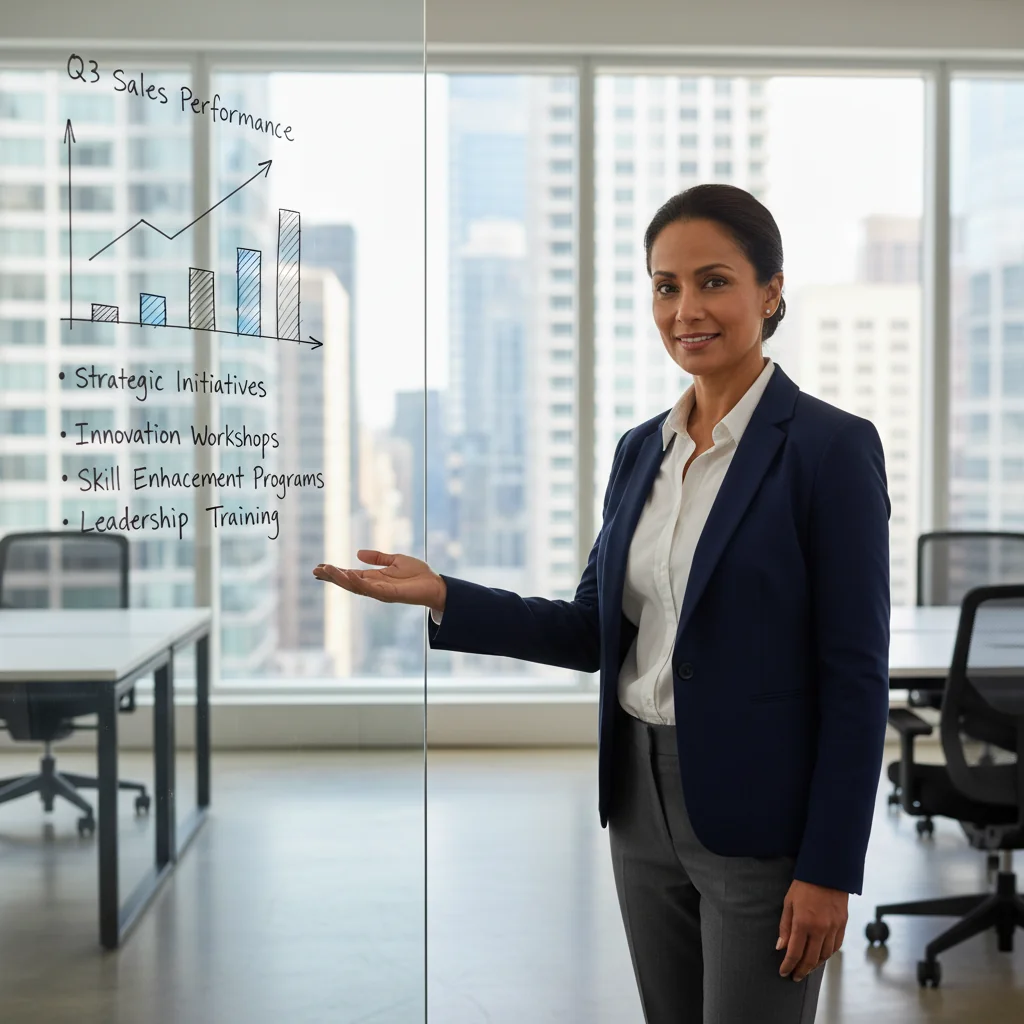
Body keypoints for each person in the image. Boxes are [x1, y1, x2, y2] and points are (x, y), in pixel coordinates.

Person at [314, 183, 891, 1024]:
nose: (686, 308)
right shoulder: (639, 452)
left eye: (713, 281)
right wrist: (446, 596)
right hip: (638, 803)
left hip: (762, 818)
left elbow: (854, 679)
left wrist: (831, 867)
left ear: (770, 292)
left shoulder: (830, 450)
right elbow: (592, 630)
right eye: (666, 286)